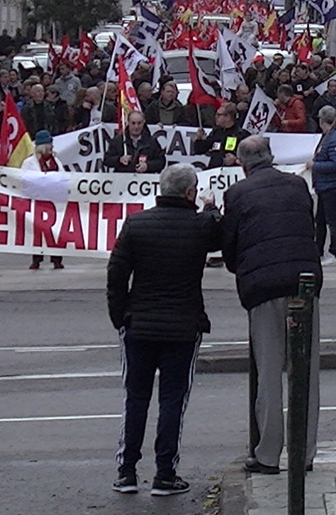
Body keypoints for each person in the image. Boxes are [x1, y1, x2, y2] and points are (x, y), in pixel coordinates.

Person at [106, 164, 221, 497]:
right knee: (173, 401)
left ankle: (126, 471)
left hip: (139, 323)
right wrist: (211, 208)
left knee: (136, 398)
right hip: (183, 326)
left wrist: (121, 316)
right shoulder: (199, 226)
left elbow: (116, 274)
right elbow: (220, 236)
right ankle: (165, 473)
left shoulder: (137, 224)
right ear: (189, 193)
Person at [219, 135, 322, 475]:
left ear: (243, 164)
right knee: (305, 372)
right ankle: (304, 453)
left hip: (263, 286)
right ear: (271, 156)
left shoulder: (236, 194)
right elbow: (309, 227)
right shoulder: (296, 187)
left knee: (269, 370)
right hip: (304, 282)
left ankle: (268, 454)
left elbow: (229, 248)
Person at [21, 132, 66, 271]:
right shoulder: (29, 163)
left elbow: (64, 177)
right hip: (38, 202)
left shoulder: (56, 162)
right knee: (37, 232)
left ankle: (57, 258)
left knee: (55, 232)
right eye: (48, 144)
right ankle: (37, 258)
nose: (51, 147)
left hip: (53, 202)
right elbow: (24, 180)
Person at [311, 105, 336, 263]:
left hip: (332, 186)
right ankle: (318, 250)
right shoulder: (326, 136)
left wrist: (315, 166)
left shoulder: (334, 139)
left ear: (322, 120)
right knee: (320, 219)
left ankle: (333, 252)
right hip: (323, 185)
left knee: (331, 220)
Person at [194, 103, 248, 168]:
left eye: (219, 115)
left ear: (228, 117)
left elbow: (249, 157)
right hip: (214, 170)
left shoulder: (241, 134)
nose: (216, 117)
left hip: (232, 171)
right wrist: (199, 139)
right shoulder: (216, 132)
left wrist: (236, 160)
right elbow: (200, 150)